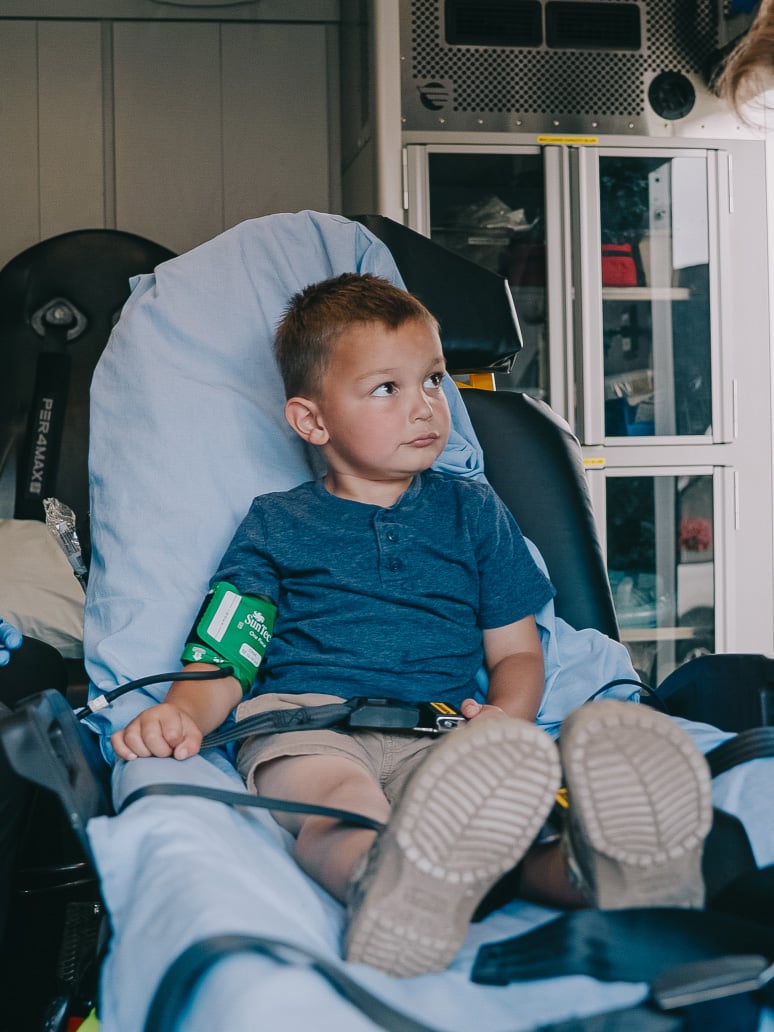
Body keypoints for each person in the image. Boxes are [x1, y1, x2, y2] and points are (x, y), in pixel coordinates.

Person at [111, 274, 712, 978]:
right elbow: (227, 650)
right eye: (387, 389)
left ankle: (604, 874)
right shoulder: (277, 523)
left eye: (432, 380)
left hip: (440, 732)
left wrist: (506, 722)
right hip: (308, 724)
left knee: (497, 827)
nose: (426, 406)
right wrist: (182, 713)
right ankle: (386, 888)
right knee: (344, 805)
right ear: (312, 421)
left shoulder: (473, 511)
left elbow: (517, 651)